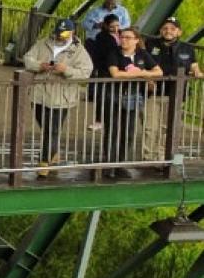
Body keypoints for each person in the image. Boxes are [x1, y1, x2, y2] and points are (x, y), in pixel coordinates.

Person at [23, 19, 93, 180]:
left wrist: (66, 70)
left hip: (62, 97)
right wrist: (40, 65)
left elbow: (86, 71)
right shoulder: (43, 43)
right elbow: (28, 59)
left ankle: (44, 162)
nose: (60, 36)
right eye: (58, 33)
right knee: (44, 125)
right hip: (39, 94)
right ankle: (53, 152)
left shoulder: (79, 51)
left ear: (72, 33)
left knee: (52, 129)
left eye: (64, 34)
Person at [104, 27, 161, 178]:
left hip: (134, 96)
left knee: (128, 132)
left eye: (128, 37)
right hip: (115, 95)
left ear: (136, 40)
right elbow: (115, 74)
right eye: (122, 37)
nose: (124, 40)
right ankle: (108, 164)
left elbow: (158, 71)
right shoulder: (114, 53)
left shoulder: (142, 54)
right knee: (113, 131)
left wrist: (141, 73)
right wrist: (137, 75)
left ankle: (121, 164)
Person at [143, 16, 201, 162]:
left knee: (168, 128)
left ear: (179, 32)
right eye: (165, 28)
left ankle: (163, 158)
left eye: (172, 29)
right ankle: (148, 158)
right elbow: (141, 64)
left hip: (176, 94)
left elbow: (195, 68)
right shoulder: (150, 44)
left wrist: (197, 73)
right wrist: (147, 78)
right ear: (161, 30)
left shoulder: (187, 48)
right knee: (150, 127)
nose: (168, 31)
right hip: (154, 93)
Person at [87, 13, 123, 130]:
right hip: (105, 68)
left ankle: (114, 119)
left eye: (117, 26)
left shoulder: (122, 35)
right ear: (106, 26)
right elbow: (105, 53)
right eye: (112, 26)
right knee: (102, 95)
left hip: (118, 67)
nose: (116, 29)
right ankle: (99, 120)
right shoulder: (102, 37)